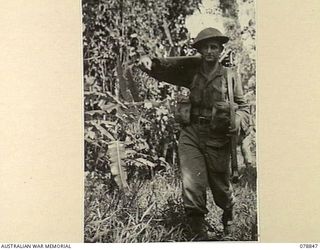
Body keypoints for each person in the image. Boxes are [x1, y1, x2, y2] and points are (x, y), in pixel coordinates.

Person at [138, 27, 249, 239]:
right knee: (193, 182)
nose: (209, 51)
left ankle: (229, 216)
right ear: (199, 50)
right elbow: (168, 67)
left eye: (214, 47)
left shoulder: (230, 76)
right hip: (191, 134)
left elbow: (243, 107)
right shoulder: (191, 72)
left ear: (220, 50)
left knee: (220, 187)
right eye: (205, 47)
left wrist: (238, 120)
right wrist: (149, 64)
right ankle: (199, 231)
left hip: (218, 136)